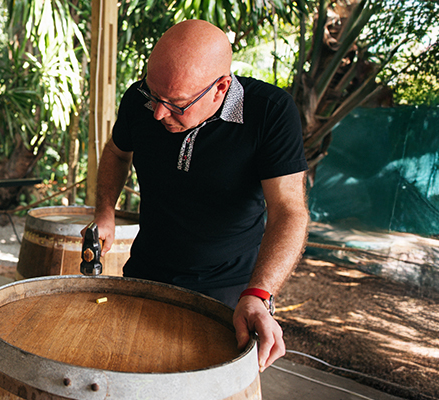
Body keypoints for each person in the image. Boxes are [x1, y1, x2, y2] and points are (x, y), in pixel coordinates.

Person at [91, 20, 310, 372]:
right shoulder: (139, 99)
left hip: (229, 290)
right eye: (153, 96)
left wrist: (259, 294)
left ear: (220, 88)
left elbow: (288, 211)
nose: (159, 113)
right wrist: (105, 211)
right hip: (144, 273)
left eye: (176, 104)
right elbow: (117, 153)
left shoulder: (270, 112)